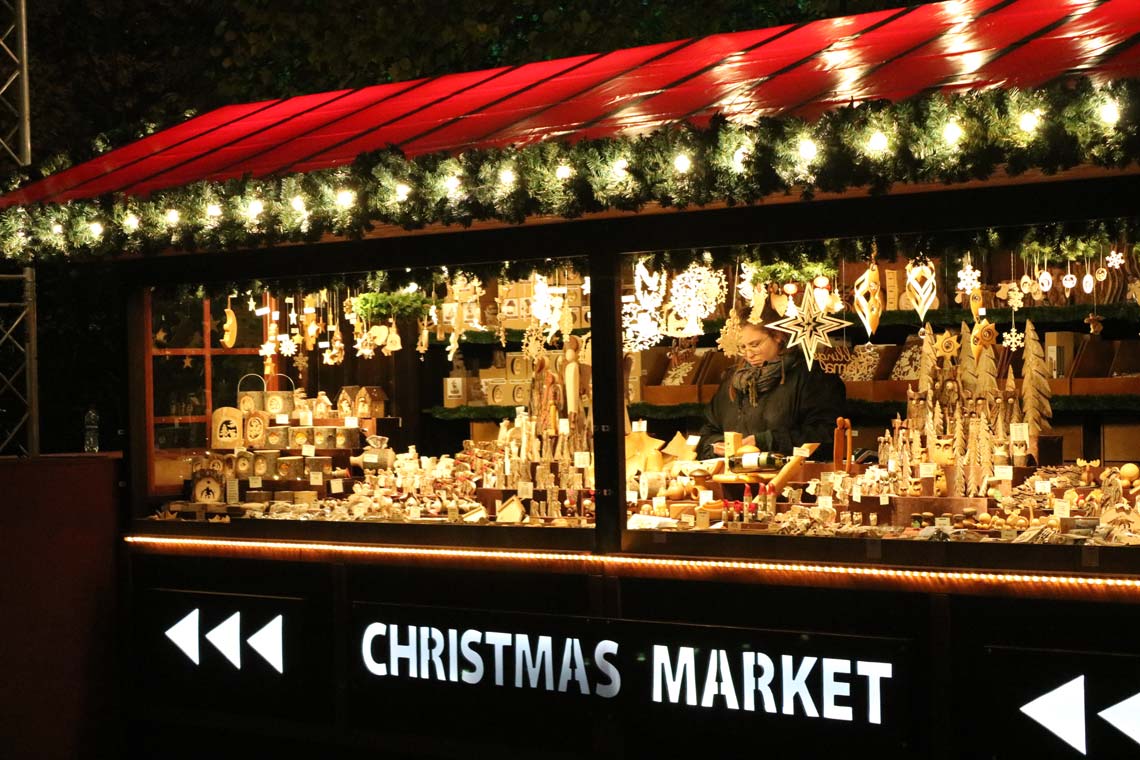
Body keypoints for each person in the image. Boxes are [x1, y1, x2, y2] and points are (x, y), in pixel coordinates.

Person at [697, 306, 846, 460]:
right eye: (742, 347)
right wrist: (717, 445)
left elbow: (826, 435)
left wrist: (767, 441)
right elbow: (707, 432)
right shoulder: (732, 380)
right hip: (733, 478)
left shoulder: (812, 378)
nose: (748, 354)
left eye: (755, 345)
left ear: (777, 336)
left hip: (790, 479)